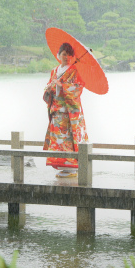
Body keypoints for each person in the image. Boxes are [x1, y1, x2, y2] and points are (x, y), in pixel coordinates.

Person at [43, 42, 89, 177]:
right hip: (57, 111)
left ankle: (72, 167)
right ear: (59, 55)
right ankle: (62, 165)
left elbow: (78, 88)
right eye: (64, 54)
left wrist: (62, 86)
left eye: (69, 55)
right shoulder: (54, 71)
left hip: (68, 112)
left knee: (68, 139)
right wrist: (50, 87)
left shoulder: (74, 71)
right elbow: (49, 88)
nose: (67, 57)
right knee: (58, 140)